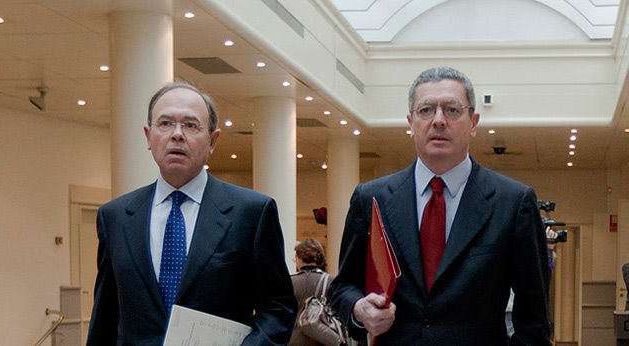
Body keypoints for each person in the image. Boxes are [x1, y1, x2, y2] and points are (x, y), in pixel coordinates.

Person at [328, 67, 551, 345]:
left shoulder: (513, 203)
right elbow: (342, 287)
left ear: (473, 122)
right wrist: (358, 309)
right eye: (425, 110)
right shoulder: (371, 198)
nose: (438, 120)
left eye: (452, 110)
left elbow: (535, 319)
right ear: (411, 122)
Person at [86, 81, 296, 346]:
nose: (177, 134)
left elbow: (278, 308)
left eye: (190, 125)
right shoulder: (115, 217)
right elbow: (105, 317)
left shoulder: (251, 213)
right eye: (165, 124)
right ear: (148, 137)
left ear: (212, 140)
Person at [289, 238, 335, 346]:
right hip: (323, 340)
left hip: (293, 341)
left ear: (299, 258)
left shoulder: (289, 282)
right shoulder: (330, 281)